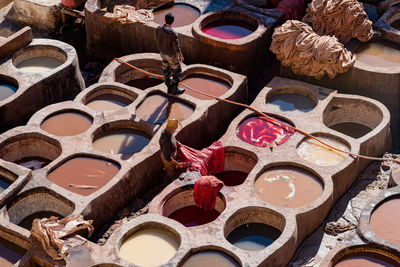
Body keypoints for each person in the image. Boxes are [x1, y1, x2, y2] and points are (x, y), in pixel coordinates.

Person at [155, 12, 185, 94]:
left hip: (163, 54)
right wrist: (181, 56)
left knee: (166, 70)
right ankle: (174, 89)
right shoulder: (173, 34)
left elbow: (157, 37)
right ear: (173, 21)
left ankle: (169, 87)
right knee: (177, 71)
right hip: (171, 56)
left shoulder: (159, 28)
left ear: (165, 20)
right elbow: (176, 48)